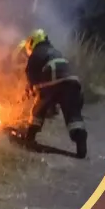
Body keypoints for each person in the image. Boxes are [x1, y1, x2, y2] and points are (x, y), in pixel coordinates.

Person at [19, 29, 88, 159]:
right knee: (73, 115)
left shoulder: (37, 52)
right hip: (72, 83)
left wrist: (30, 89)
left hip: (53, 82)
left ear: (33, 42)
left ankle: (30, 137)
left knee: (39, 108)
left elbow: (30, 72)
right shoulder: (55, 51)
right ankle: (80, 142)